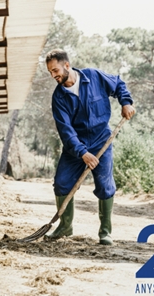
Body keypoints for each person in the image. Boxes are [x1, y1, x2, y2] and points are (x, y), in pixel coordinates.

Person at [44, 49, 135, 245]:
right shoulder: (58, 98)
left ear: (67, 65)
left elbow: (118, 83)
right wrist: (82, 153)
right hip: (75, 147)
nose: (53, 75)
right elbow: (66, 131)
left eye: (55, 70)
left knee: (105, 185)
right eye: (50, 72)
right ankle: (65, 226)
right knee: (62, 182)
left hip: (102, 140)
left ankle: (105, 231)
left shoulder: (93, 77)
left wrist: (126, 102)